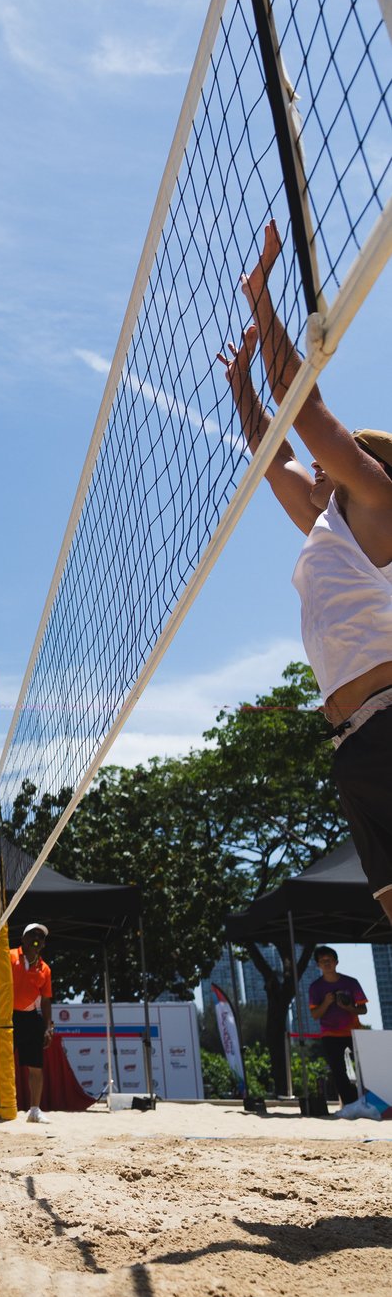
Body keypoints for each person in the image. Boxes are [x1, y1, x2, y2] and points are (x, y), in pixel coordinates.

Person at [219, 220, 392, 927]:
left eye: (336, 458)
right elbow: (274, 452)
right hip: (355, 745)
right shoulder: (327, 523)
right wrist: (240, 385)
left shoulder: (379, 502)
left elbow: (306, 405)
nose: (318, 461)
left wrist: (261, 297)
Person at [306, 945, 367, 1110]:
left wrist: (349, 1007)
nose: (326, 963)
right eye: (322, 961)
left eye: (330, 960)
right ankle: (350, 1105)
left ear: (336, 962)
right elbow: (315, 1015)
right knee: (338, 1071)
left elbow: (363, 1009)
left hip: (353, 1032)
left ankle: (370, 1100)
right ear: (318, 965)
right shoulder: (315, 987)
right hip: (330, 1034)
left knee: (365, 1068)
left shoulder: (351, 982)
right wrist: (326, 1002)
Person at [11, 922, 53, 1123]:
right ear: (23, 939)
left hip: (30, 1018)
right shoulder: (8, 956)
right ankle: (0, 1105)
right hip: (7, 1017)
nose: (36, 938)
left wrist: (48, 1027)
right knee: (3, 1063)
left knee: (36, 1066)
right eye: (32, 934)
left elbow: (45, 1000)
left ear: (43, 944)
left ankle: (34, 1110)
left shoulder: (45, 969)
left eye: (41, 936)